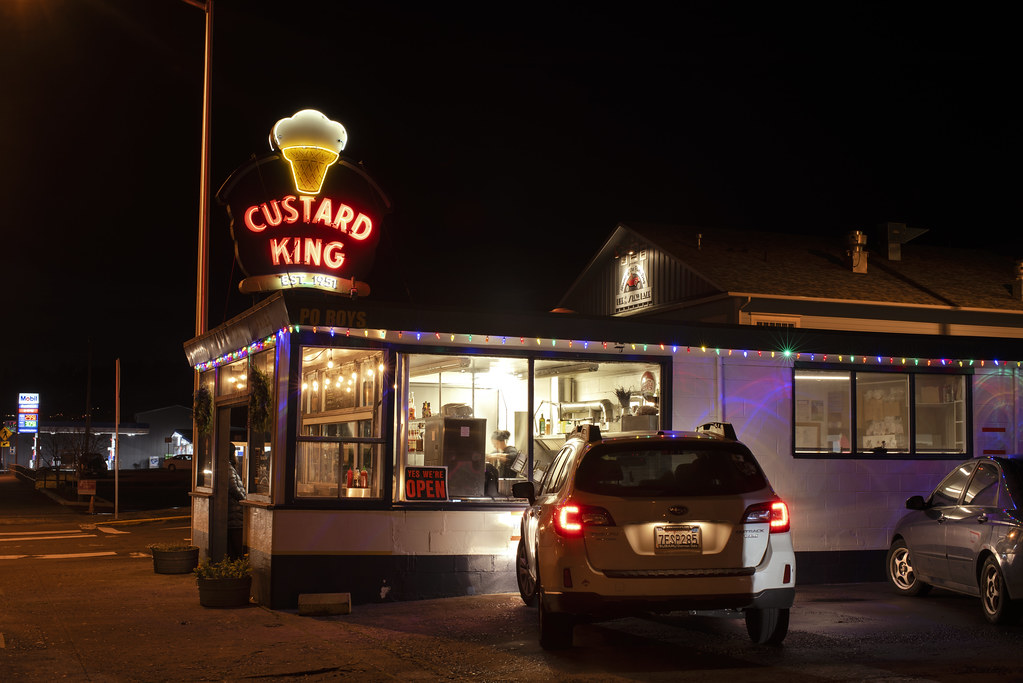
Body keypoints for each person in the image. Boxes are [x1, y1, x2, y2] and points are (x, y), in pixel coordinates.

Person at [227, 451, 246, 559]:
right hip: (235, 513)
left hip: (233, 513)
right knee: (237, 545)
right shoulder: (229, 468)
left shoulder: (228, 467)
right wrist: (244, 499)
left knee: (233, 545)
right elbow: (233, 487)